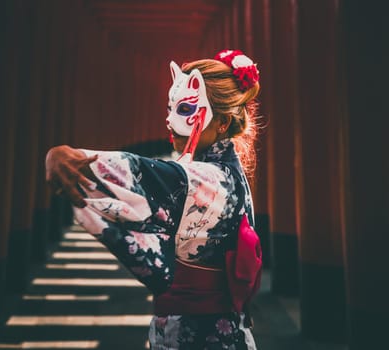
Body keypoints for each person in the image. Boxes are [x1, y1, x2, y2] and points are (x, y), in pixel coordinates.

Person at [46, 49, 263, 349]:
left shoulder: (212, 179)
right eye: (170, 106)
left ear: (223, 123)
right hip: (203, 328)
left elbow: (147, 173)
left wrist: (73, 159)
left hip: (204, 335)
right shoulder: (226, 171)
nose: (170, 119)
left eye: (185, 110)